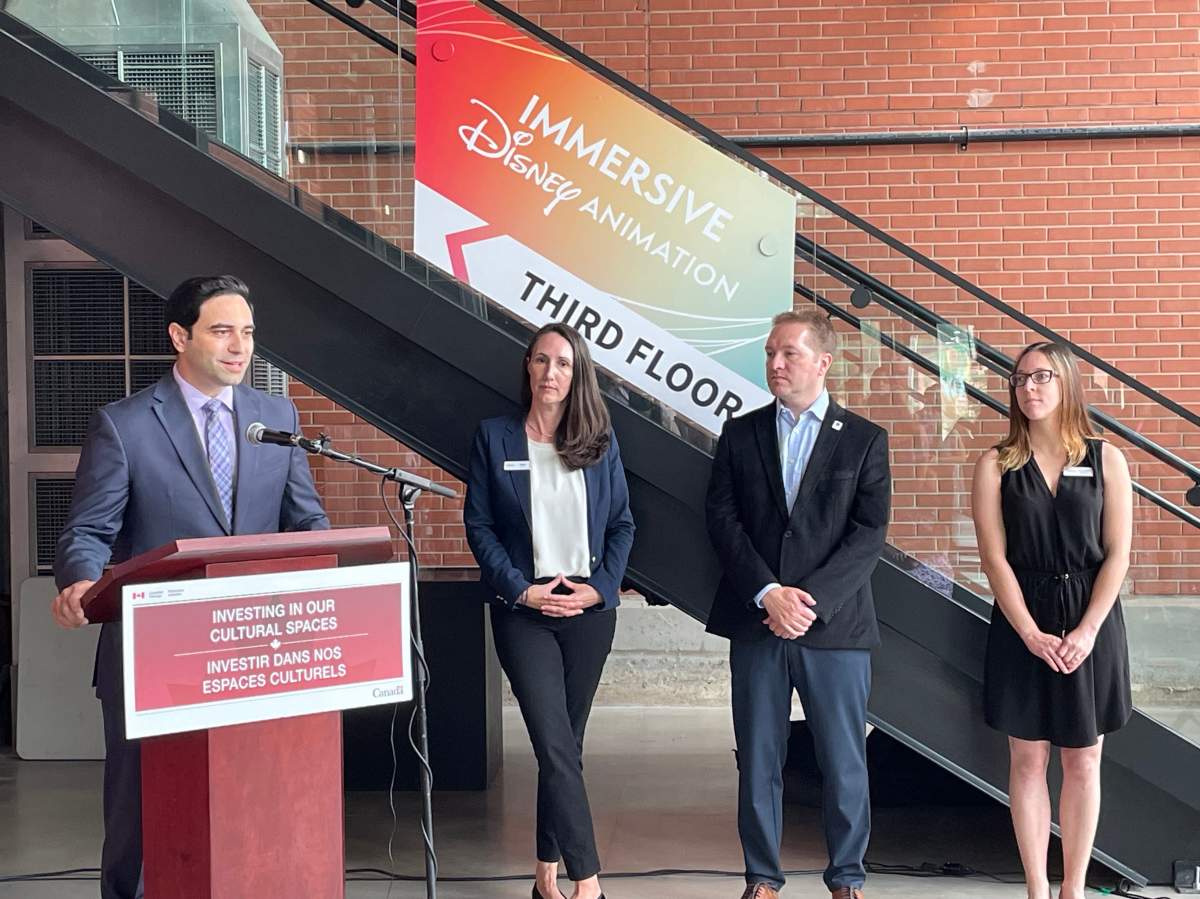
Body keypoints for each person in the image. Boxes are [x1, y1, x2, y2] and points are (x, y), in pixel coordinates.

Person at [51, 275, 330, 899]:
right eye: (222, 331)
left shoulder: (276, 418)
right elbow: (87, 530)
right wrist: (81, 580)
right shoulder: (125, 425)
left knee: (247, 809)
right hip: (154, 655)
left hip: (257, 653)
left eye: (248, 333)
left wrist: (326, 566)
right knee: (141, 817)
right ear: (180, 336)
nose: (240, 347)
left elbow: (306, 520)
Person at [705, 310, 891, 899]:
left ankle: (847, 879)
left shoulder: (864, 439)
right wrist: (768, 593)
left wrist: (806, 602)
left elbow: (869, 533)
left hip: (833, 627)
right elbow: (723, 518)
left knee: (843, 761)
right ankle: (762, 876)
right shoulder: (741, 433)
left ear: (822, 363)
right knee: (758, 759)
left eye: (787, 353)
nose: (775, 364)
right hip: (758, 622)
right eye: (769, 353)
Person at [464, 322, 634, 899]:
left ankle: (545, 873)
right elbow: (480, 525)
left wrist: (602, 589)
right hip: (523, 609)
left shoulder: (599, 440)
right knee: (555, 744)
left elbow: (621, 525)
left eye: (562, 363)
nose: (550, 373)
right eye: (541, 361)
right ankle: (589, 883)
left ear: (576, 372)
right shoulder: (495, 437)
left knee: (566, 744)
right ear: (528, 368)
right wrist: (519, 589)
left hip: (588, 610)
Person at [971, 341, 1132, 899]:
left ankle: (1075, 888)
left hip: (1093, 619)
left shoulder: (1106, 458)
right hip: (1024, 619)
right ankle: (1039, 888)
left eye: (1040, 377)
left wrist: (1086, 631)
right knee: (1028, 757)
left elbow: (1117, 555)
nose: (1028, 388)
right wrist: (1031, 634)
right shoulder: (996, 464)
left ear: (1066, 383)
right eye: (1019, 380)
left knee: (1084, 759)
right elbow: (994, 559)